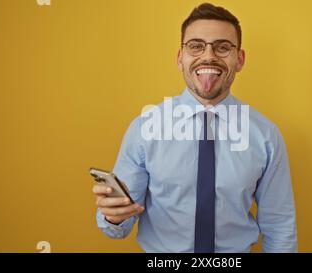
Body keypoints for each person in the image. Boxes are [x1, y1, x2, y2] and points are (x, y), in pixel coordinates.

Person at [93, 2, 297, 253]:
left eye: (223, 47)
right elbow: (119, 227)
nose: (209, 56)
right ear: (181, 58)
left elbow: (279, 225)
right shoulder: (144, 129)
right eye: (196, 46)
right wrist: (115, 216)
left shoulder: (265, 135)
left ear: (240, 59)